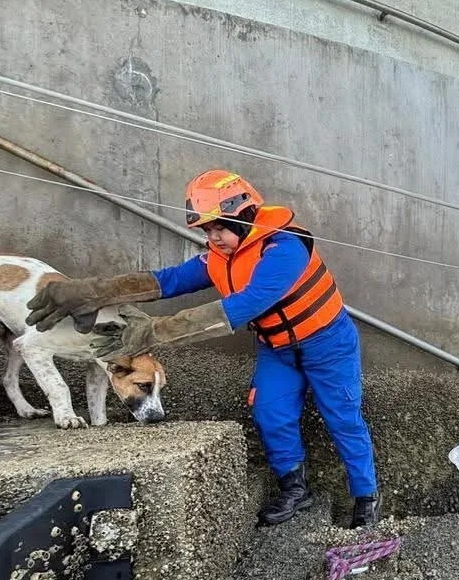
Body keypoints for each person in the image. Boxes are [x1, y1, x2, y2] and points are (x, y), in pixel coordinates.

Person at [25, 169, 381, 529]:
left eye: (219, 228)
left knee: (343, 418)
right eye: (207, 231)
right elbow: (171, 280)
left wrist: (152, 332)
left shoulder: (284, 249)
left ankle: (366, 499)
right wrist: (93, 290)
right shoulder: (220, 255)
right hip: (277, 349)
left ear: (243, 218)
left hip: (327, 345)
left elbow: (248, 303)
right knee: (271, 413)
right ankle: (294, 489)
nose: (214, 238)